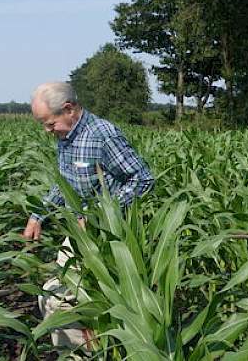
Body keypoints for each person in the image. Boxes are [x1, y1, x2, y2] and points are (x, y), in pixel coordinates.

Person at [23, 81, 155, 352]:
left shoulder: (102, 134)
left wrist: (98, 215)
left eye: (50, 123)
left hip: (109, 239)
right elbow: (65, 184)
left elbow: (142, 179)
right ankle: (88, 348)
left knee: (58, 301)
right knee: (50, 298)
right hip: (80, 237)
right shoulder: (66, 138)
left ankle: (97, 350)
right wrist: (38, 215)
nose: (47, 131)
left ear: (69, 109)